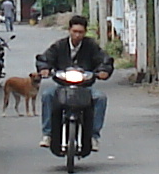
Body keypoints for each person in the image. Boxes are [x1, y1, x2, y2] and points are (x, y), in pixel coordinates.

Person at [34, 14, 116, 149]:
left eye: (81, 32)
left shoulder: (91, 46)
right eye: (75, 32)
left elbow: (104, 60)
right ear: (69, 30)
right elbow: (44, 58)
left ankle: (94, 136)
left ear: (85, 32)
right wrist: (44, 69)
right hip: (62, 87)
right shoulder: (59, 46)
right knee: (47, 95)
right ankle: (47, 134)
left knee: (100, 98)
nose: (77, 35)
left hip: (84, 88)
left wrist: (103, 70)